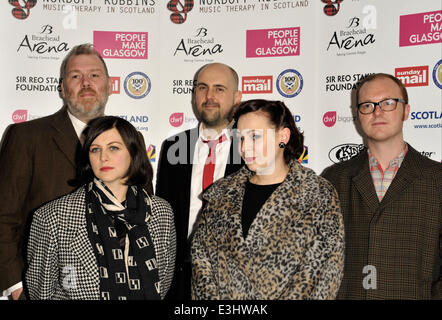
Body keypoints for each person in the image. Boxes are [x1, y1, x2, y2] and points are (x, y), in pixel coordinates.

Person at [191, 99, 345, 299]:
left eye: (254, 137)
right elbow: (201, 264)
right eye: (241, 138)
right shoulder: (220, 194)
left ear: (283, 136)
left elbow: (324, 275)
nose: (245, 148)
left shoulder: (317, 195)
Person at [0, 43, 112, 300]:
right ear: (62, 88)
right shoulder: (26, 136)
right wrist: (17, 287)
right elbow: (4, 217)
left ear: (109, 86)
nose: (86, 83)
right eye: (75, 76)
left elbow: (143, 218)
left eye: (94, 75)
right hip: (43, 287)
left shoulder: (130, 141)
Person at [26, 116, 176, 300]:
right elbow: (40, 293)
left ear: (133, 153)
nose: (103, 157)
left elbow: (165, 281)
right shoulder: (52, 218)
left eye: (113, 148)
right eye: (95, 149)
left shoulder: (162, 212)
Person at [321, 73, 442, 299]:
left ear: (406, 110)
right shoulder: (334, 179)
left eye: (387, 103)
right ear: (358, 115)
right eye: (368, 105)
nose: (377, 112)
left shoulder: (437, 179)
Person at [156, 62, 244, 299]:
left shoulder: (251, 147)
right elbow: (163, 215)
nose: (209, 96)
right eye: (202, 88)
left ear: (237, 97)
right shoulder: (173, 147)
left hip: (233, 281)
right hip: (180, 279)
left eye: (219, 89)